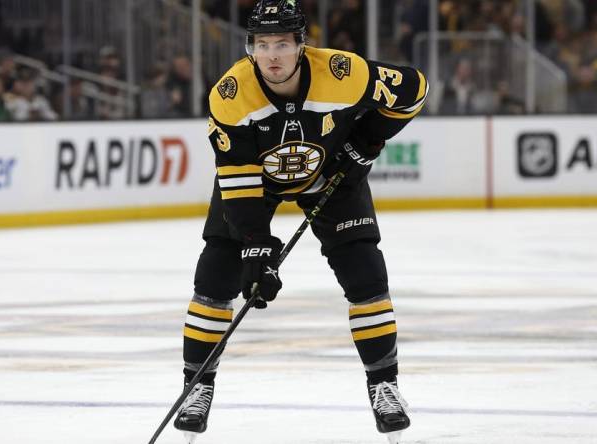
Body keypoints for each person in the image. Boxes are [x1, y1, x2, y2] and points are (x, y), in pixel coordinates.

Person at [174, 1, 427, 443]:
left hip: (331, 175)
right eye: (263, 44)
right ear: (250, 47)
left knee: (366, 272)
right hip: (258, 185)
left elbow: (414, 88)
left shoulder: (344, 73)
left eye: (283, 45)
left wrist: (366, 140)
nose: (273, 55)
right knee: (216, 274)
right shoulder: (231, 95)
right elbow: (237, 182)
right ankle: (197, 387)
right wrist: (255, 245)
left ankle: (384, 386)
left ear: (300, 45)